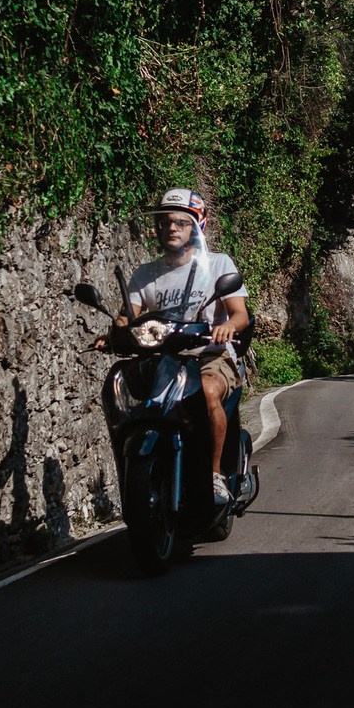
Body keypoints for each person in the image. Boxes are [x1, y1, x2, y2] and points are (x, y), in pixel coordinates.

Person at [125, 187, 250, 505]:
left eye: (181, 222)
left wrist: (227, 326)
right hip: (165, 358)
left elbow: (240, 314)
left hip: (211, 355)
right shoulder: (145, 273)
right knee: (138, 406)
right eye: (166, 222)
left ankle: (215, 475)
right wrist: (112, 332)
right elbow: (127, 317)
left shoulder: (218, 264)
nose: (172, 228)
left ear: (197, 226)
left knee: (207, 391)